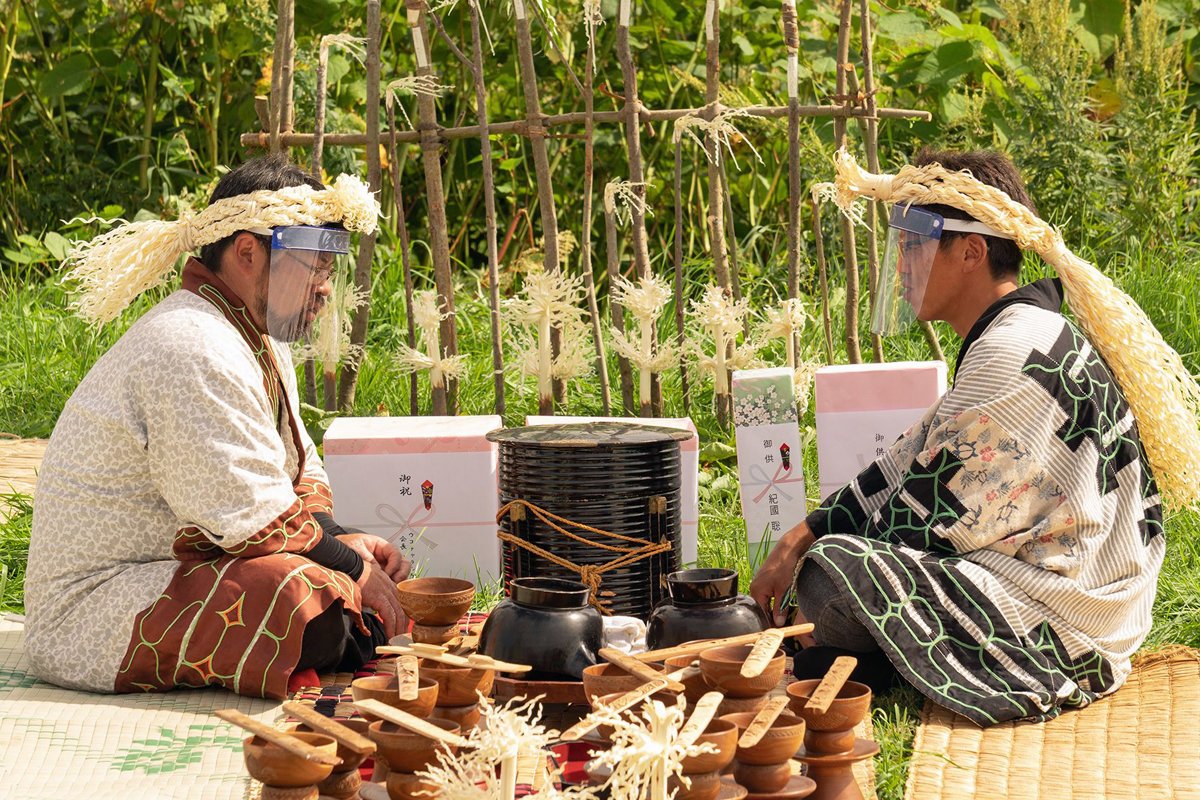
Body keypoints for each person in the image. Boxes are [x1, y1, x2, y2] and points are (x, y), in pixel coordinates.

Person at [751, 148, 1166, 726]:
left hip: (1068, 622)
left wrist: (810, 563)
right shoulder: (1026, 332)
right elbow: (907, 462)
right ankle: (871, 656)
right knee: (829, 561)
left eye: (914, 244)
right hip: (1086, 592)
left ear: (972, 252)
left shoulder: (1008, 353)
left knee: (831, 576)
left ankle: (870, 659)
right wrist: (798, 535)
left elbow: (920, 520)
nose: (901, 265)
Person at [25, 156, 410, 699]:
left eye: (329, 269)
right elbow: (252, 516)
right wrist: (353, 567)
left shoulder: (251, 334)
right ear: (247, 252)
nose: (324, 288)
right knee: (303, 597)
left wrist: (340, 537)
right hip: (97, 607)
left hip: (182, 567)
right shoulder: (192, 343)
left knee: (331, 587)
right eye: (313, 265)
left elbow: (291, 470)